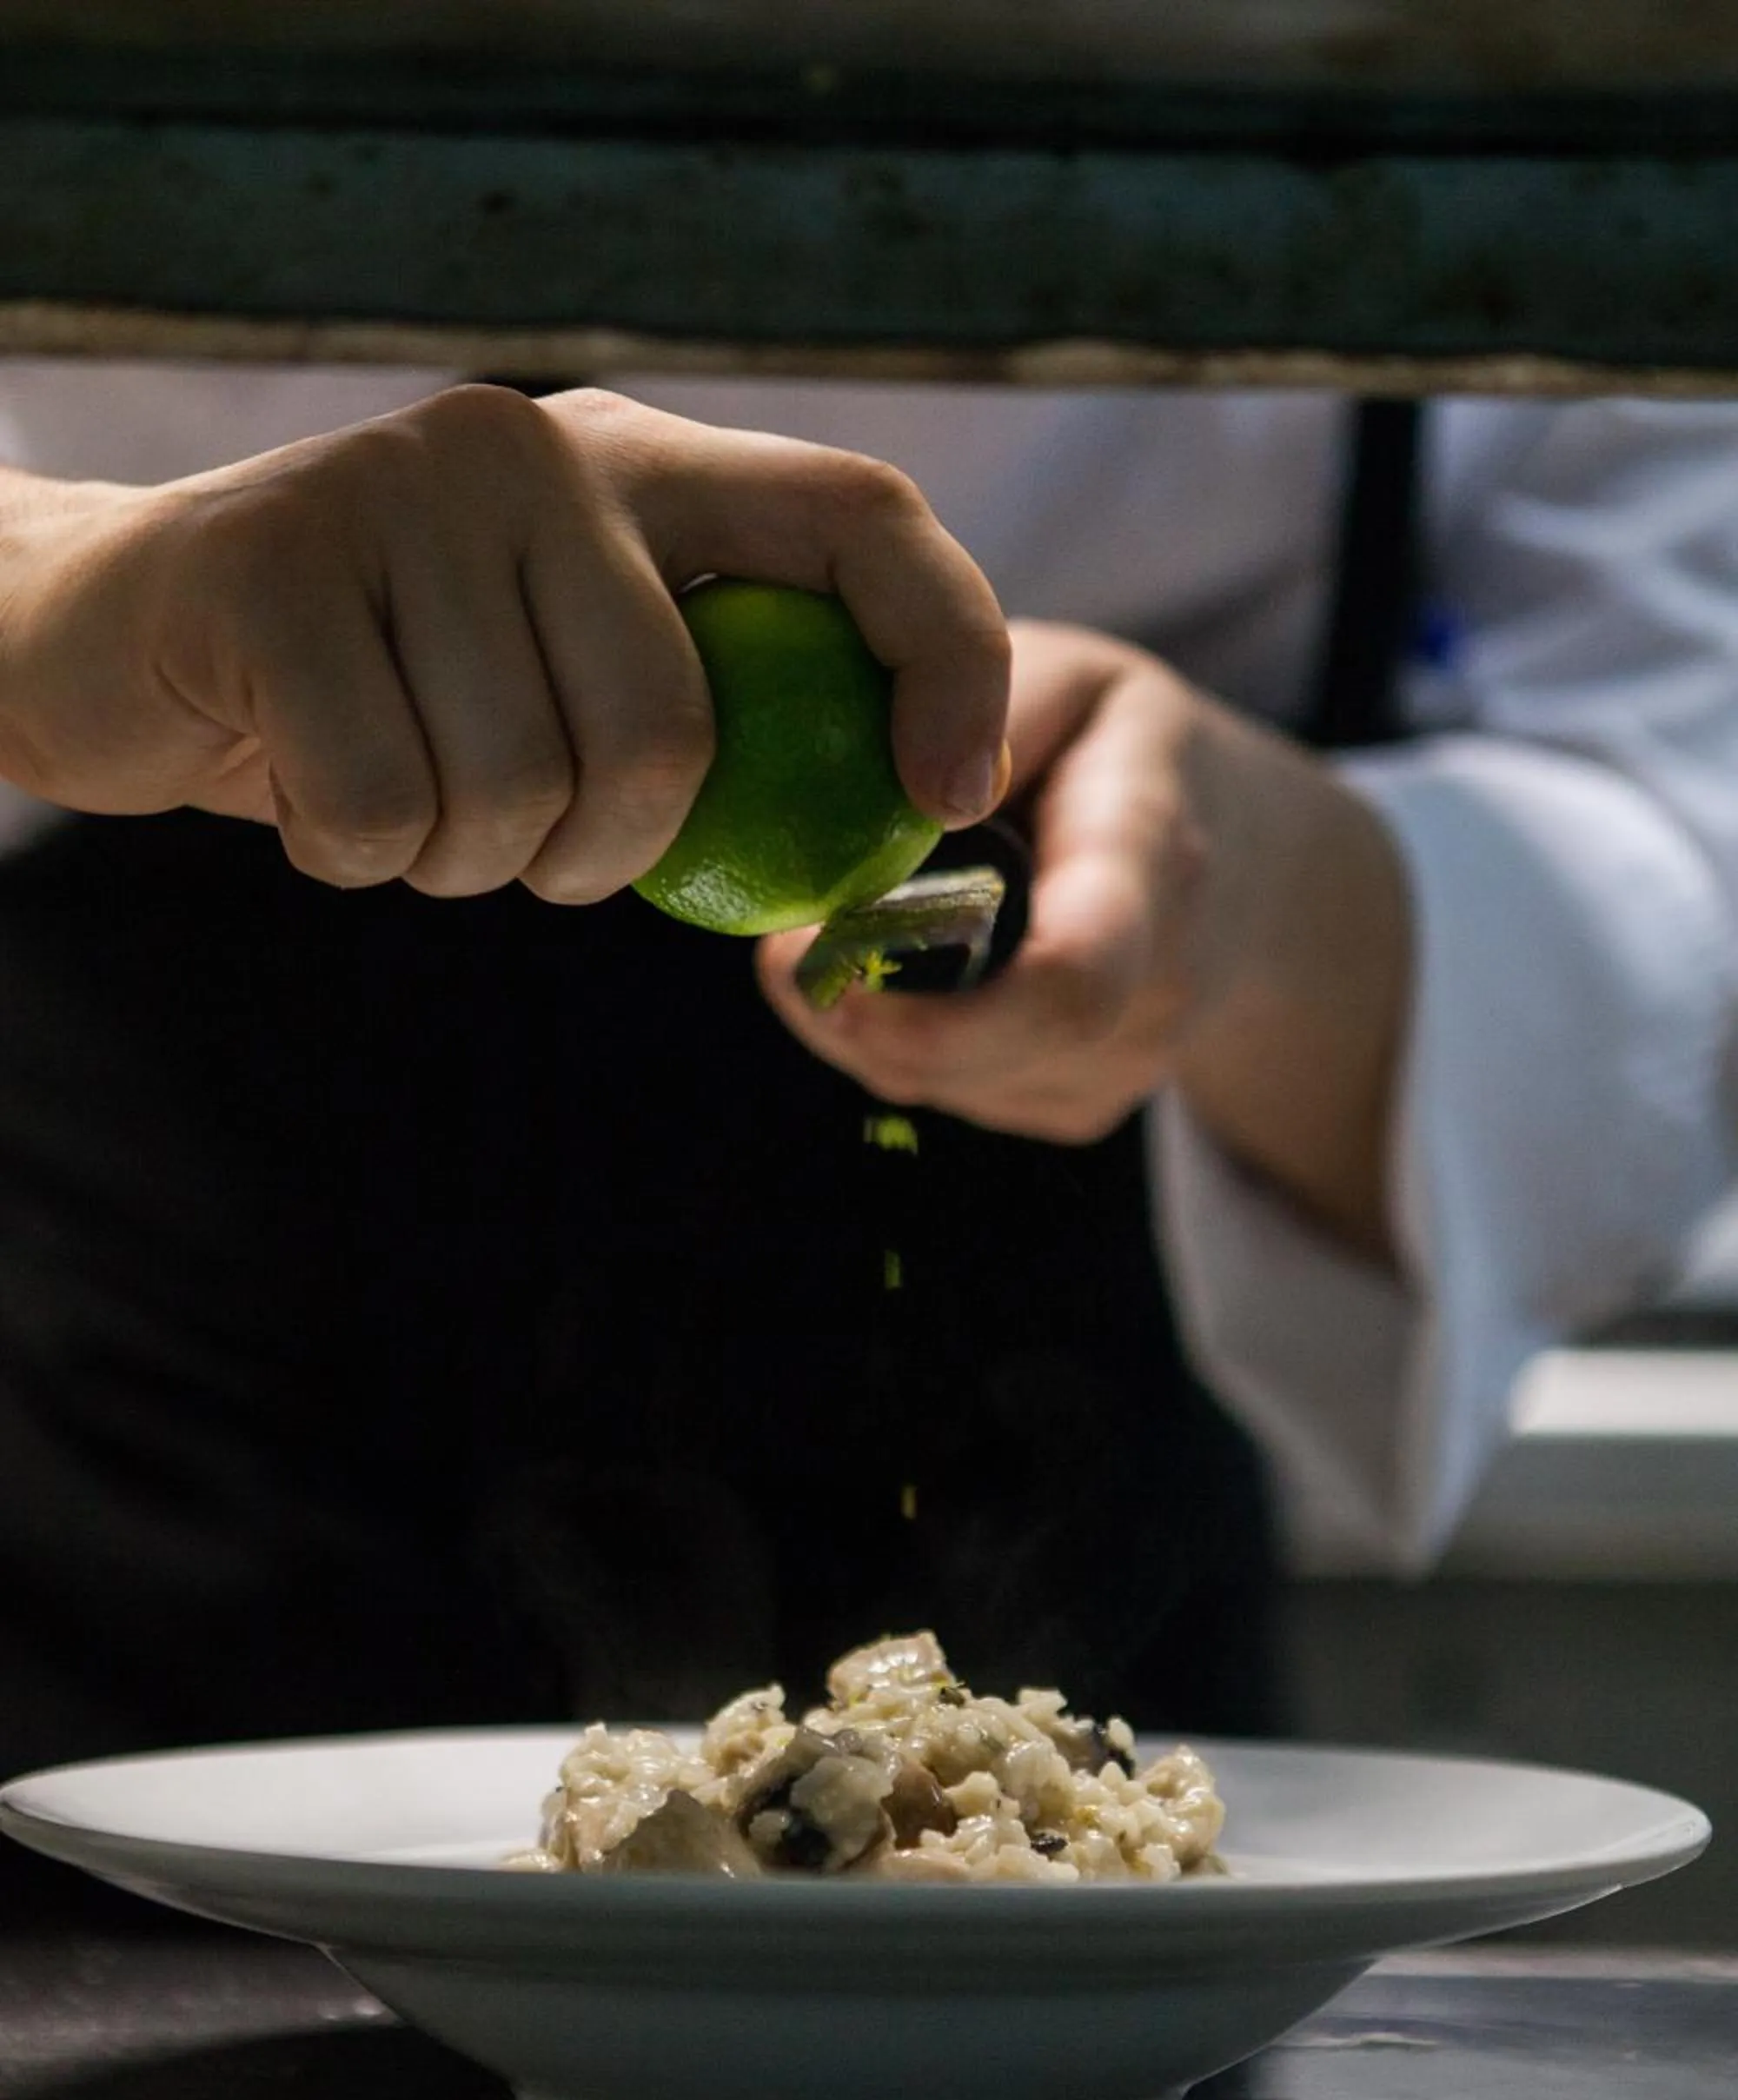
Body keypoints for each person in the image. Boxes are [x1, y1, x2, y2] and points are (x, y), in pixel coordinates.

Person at [0, 366, 1732, 1791]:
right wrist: (57, 592)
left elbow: (1679, 838)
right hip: (140, 1362)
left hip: (1102, 1299)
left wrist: (1255, 895)